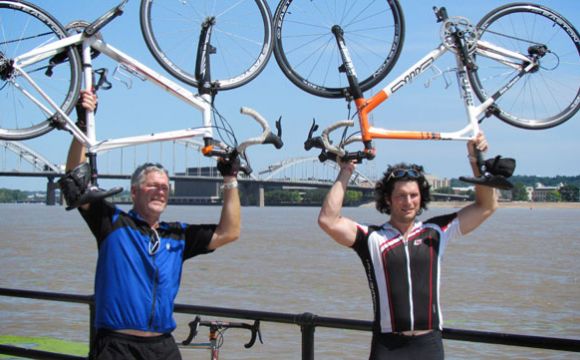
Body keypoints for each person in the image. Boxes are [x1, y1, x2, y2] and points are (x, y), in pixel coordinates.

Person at [61, 90, 241, 360]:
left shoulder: (177, 235)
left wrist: (230, 179)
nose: (160, 191)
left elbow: (229, 232)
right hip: (115, 345)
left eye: (165, 187)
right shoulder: (112, 222)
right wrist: (83, 127)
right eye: (152, 186)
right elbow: (75, 184)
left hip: (163, 347)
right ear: (134, 192)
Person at [317, 133, 497, 359]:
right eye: (401, 196)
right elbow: (328, 220)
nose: (408, 202)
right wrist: (346, 171)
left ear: (421, 198)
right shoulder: (372, 238)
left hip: (429, 344)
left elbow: (487, 206)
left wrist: (475, 158)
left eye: (413, 195)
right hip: (388, 346)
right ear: (388, 199)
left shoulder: (436, 231)